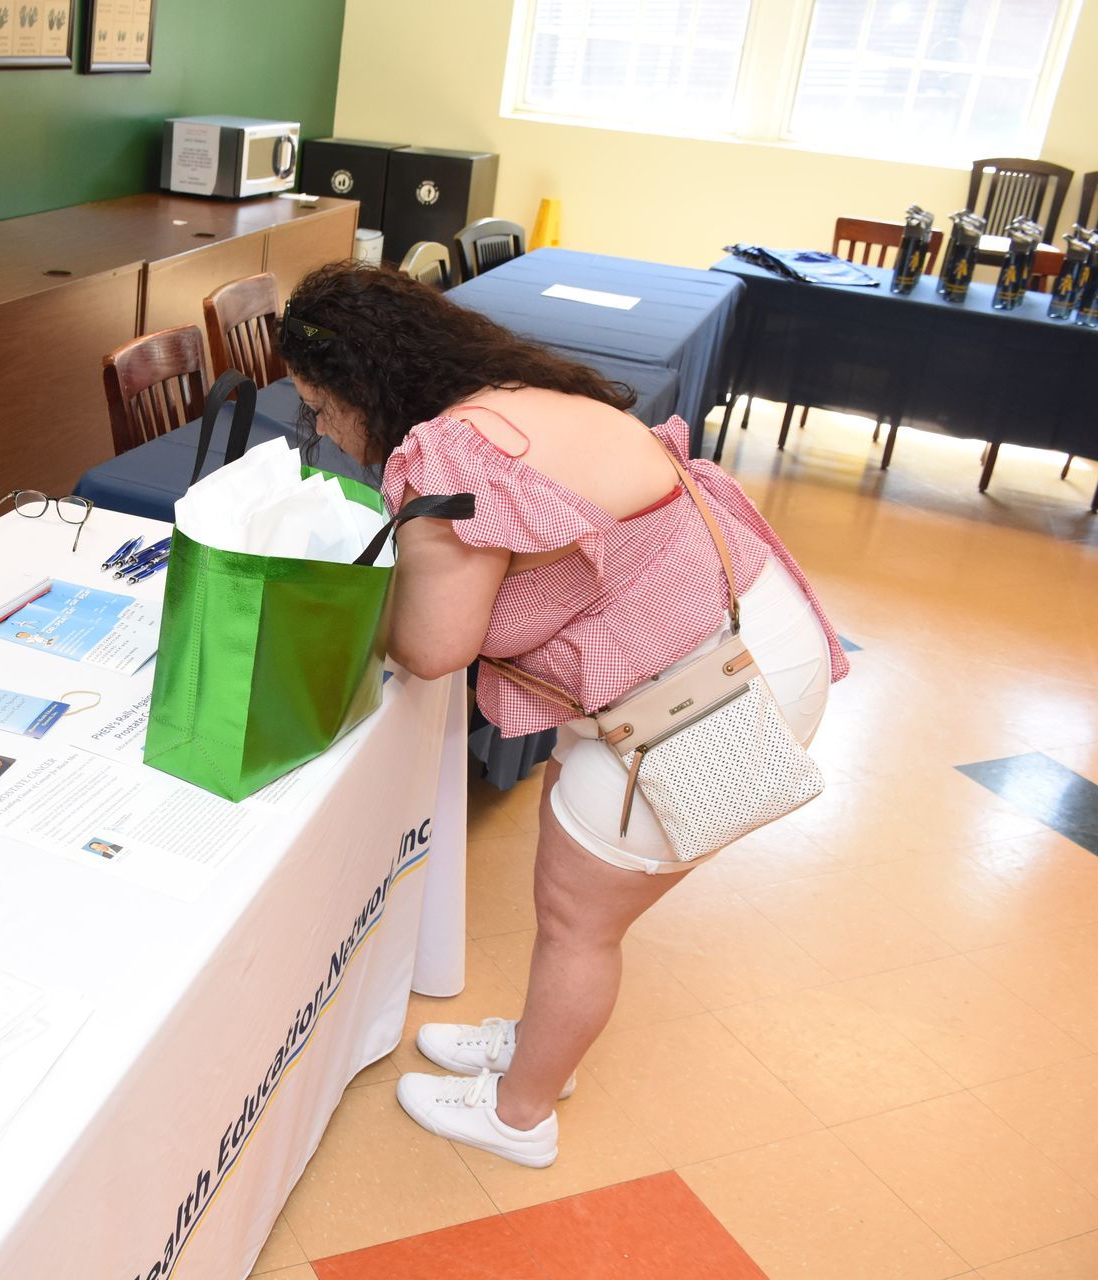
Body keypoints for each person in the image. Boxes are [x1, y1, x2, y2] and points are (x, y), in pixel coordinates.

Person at [279, 263, 847, 1169]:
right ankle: (539, 1044)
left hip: (706, 688)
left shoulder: (446, 460)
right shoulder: (519, 395)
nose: (321, 430)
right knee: (567, 876)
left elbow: (434, 647)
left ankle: (520, 1115)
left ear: (359, 388)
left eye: (318, 406)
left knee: (580, 920)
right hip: (734, 635)